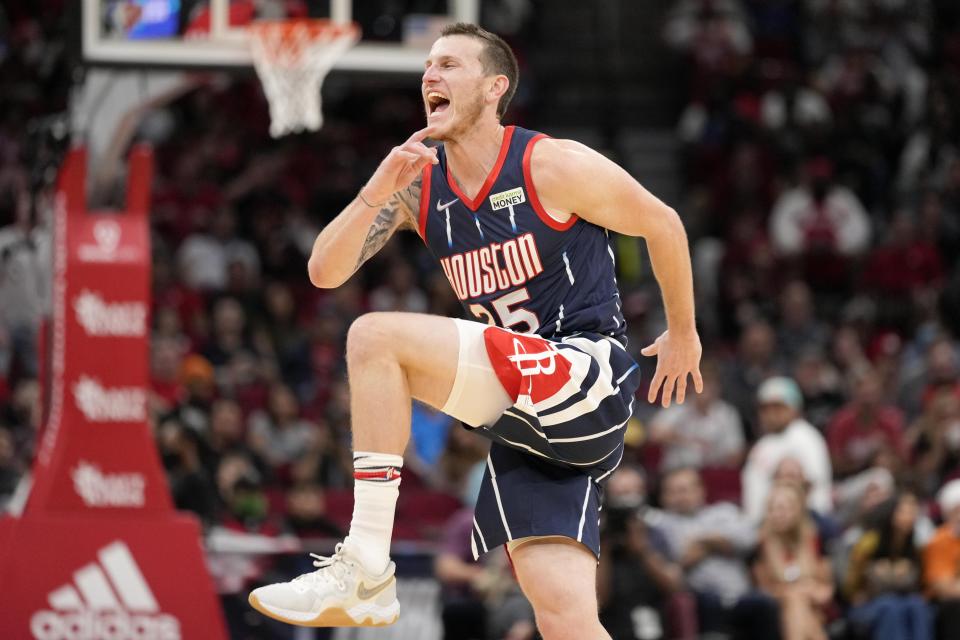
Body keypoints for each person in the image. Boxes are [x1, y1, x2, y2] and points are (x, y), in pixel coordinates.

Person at [248, 22, 703, 639]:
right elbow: (324, 271)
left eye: (449, 65)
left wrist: (683, 333)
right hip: (525, 416)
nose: (429, 75)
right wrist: (376, 190)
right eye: (428, 67)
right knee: (564, 616)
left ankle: (364, 566)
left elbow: (663, 222)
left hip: (585, 373)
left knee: (374, 338)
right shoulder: (418, 188)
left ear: (494, 88)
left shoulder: (550, 163)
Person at [650, 467, 781, 640]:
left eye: (685, 490)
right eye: (673, 492)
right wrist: (721, 543)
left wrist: (704, 542)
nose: (680, 497)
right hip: (703, 600)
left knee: (767, 604)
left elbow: (748, 539)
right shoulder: (662, 524)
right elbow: (680, 556)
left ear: (700, 491)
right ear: (663, 497)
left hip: (743, 596)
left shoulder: (723, 512)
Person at [741, 376, 833, 522]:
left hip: (801, 523)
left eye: (778, 408)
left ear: (795, 409)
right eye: (766, 409)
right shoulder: (762, 445)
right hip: (761, 524)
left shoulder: (806, 437)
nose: (771, 415)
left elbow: (815, 488)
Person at [844, 490, 933, 640]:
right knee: (890, 606)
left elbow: (921, 586)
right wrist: (875, 573)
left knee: (917, 605)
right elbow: (851, 589)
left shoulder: (915, 545)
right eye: (904, 511)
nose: (910, 516)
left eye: (913, 511)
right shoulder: (869, 543)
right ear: (890, 513)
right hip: (870, 605)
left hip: (903, 601)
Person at [753, 481, 834, 640]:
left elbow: (826, 589)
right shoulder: (761, 543)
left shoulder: (814, 540)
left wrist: (810, 591)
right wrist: (794, 590)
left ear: (797, 511)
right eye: (773, 509)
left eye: (784, 509)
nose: (778, 514)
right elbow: (764, 590)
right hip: (779, 607)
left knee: (799, 604)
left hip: (816, 605)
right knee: (795, 601)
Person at [923, 479, 960, 639]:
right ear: (948, 513)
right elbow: (944, 588)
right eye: (957, 510)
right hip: (945, 603)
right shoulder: (940, 540)